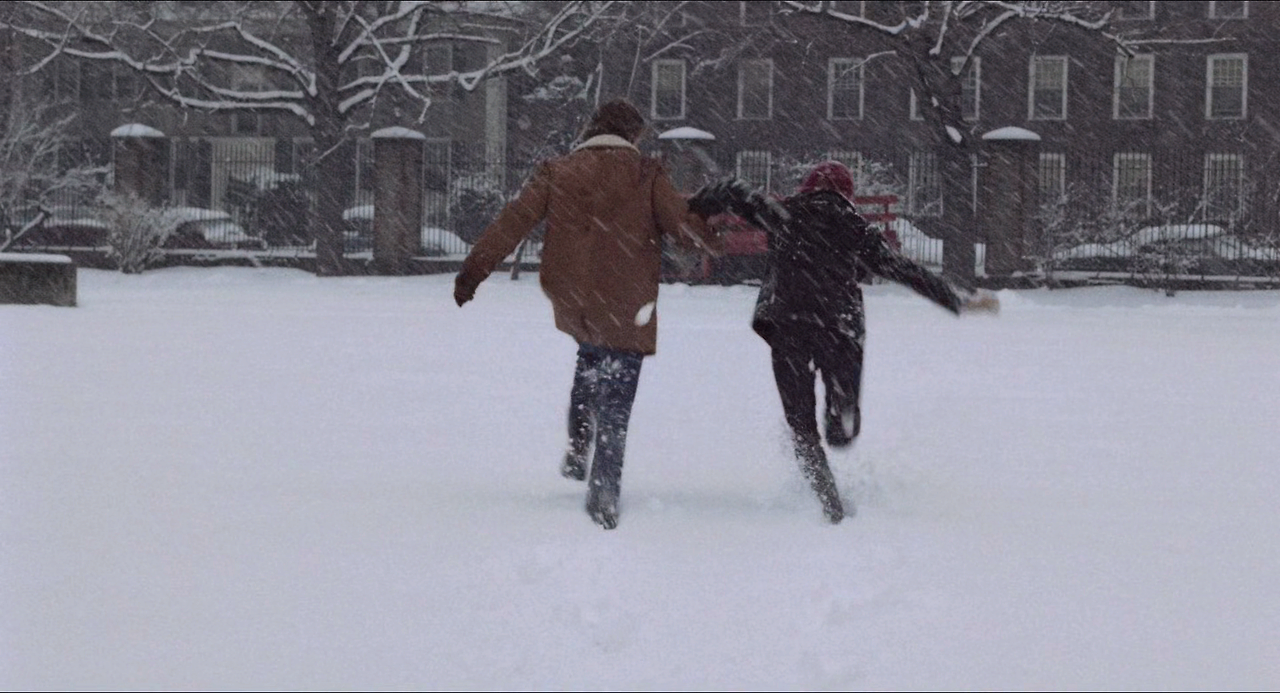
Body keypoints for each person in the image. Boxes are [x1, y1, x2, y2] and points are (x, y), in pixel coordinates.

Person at [453, 99, 720, 530]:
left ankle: (579, 444)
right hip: (628, 299)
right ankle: (604, 490)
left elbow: (513, 221)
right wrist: (710, 227)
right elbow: (685, 230)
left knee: (592, 355)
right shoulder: (645, 174)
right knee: (618, 389)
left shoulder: (559, 171)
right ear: (633, 134)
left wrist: (474, 271)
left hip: (575, 294)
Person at [689, 161, 999, 524]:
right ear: (847, 195)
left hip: (788, 324)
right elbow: (900, 267)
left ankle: (827, 497)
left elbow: (735, 191)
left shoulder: (783, 214)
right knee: (840, 429)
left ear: (807, 188)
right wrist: (955, 299)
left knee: (801, 423)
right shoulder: (854, 226)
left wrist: (695, 205)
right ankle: (843, 412)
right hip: (838, 327)